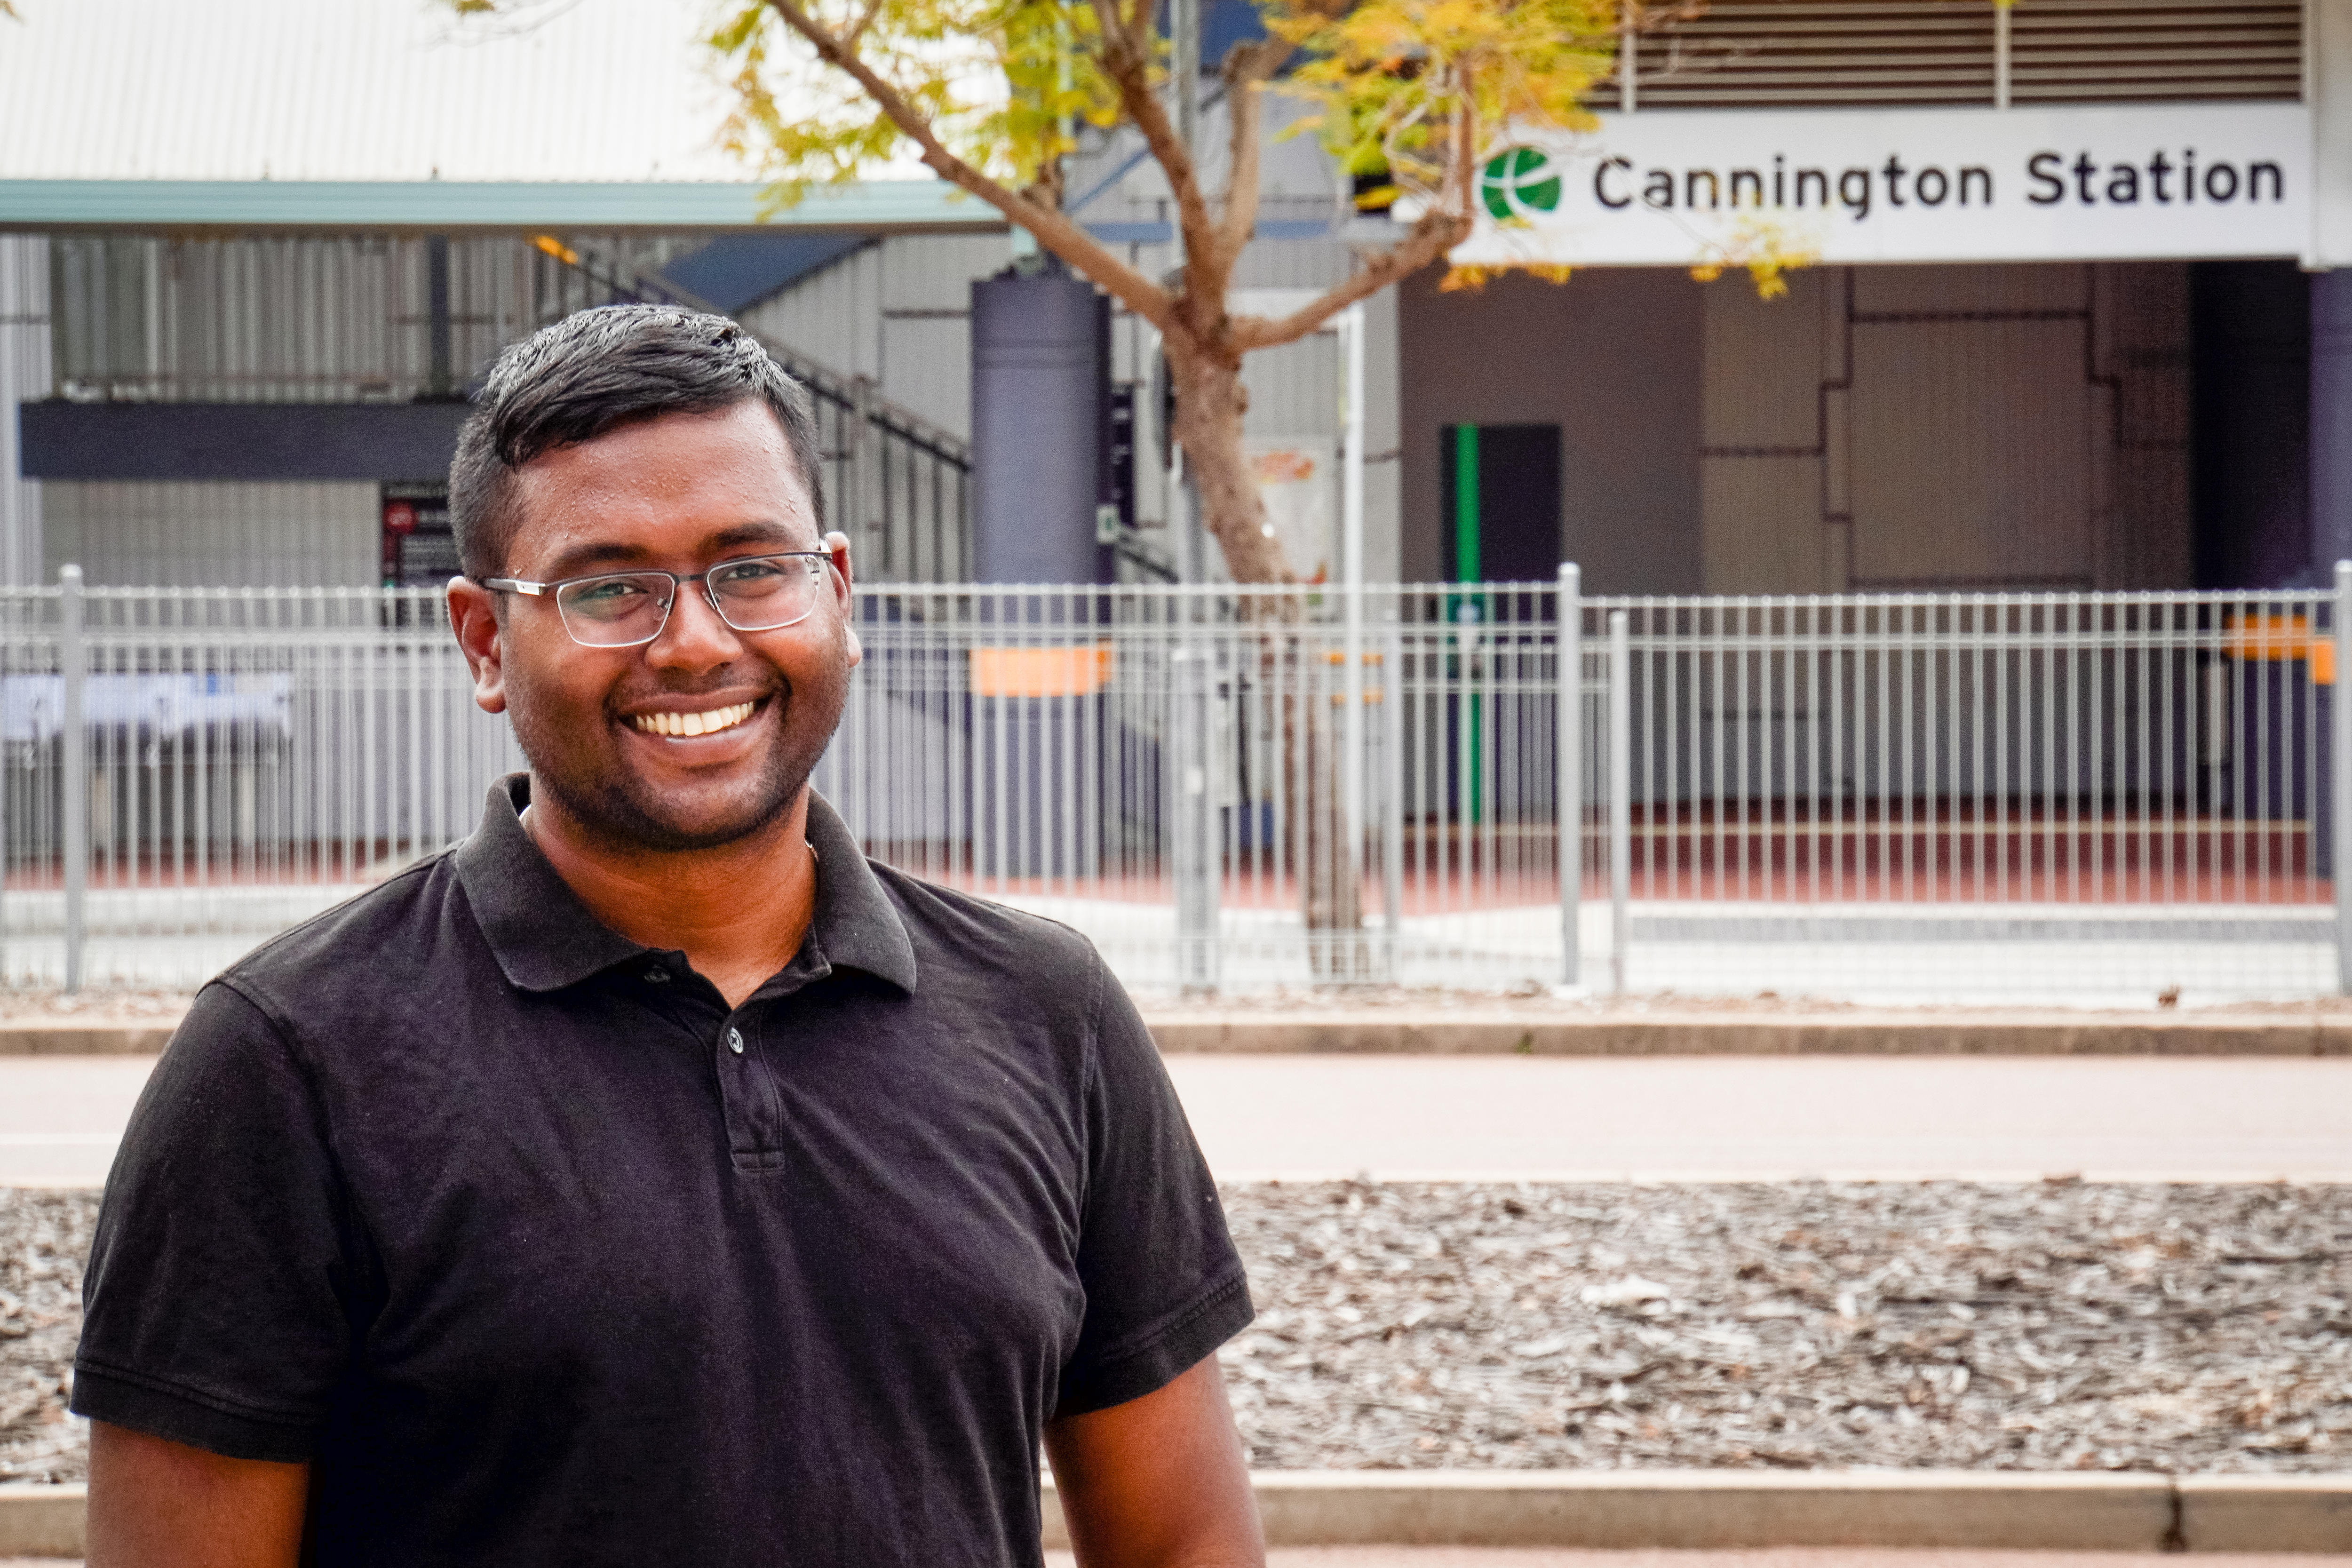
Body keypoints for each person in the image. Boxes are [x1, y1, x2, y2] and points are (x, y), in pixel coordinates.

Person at [72, 305, 1263, 1568]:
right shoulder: (287, 1060)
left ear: (837, 595)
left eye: (753, 569)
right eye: (609, 588)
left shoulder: (1044, 1009)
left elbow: (1183, 1541)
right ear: (485, 641)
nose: (695, 642)